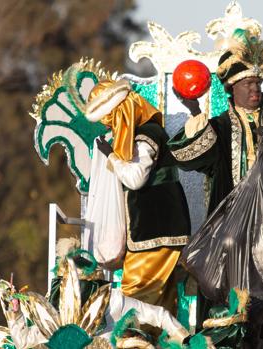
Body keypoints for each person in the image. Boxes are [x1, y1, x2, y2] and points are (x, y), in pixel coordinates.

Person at [169, 29, 263, 348]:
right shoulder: (220, 127)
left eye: (257, 82)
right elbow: (188, 156)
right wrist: (195, 111)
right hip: (233, 236)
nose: (255, 88)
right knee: (232, 309)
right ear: (231, 87)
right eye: (247, 83)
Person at [86, 79, 191, 313]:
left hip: (153, 232)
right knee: (160, 305)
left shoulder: (146, 135)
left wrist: (111, 156)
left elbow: (135, 179)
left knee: (134, 302)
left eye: (111, 119)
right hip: (157, 232)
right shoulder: (143, 134)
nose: (110, 127)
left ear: (122, 112)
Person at [0, 238, 189, 349]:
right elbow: (24, 341)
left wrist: (185, 338)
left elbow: (22, 340)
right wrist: (15, 313)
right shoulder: (53, 315)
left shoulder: (111, 301)